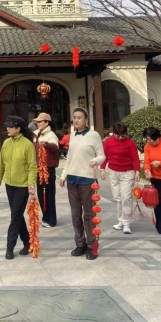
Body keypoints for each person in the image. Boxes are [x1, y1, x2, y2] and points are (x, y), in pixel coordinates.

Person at [59, 108, 105, 260]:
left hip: (87, 180)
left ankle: (92, 246)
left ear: (86, 119)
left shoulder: (94, 135)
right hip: (72, 180)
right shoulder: (72, 135)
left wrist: (95, 161)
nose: (76, 120)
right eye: (74, 117)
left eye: (79, 117)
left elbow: (102, 155)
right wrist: (63, 175)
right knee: (75, 214)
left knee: (89, 215)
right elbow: (70, 158)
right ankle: (80, 244)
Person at [0, 115, 37, 260]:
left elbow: (32, 167)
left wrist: (31, 183)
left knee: (15, 217)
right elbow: (2, 164)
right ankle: (27, 242)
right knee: (17, 215)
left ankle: (10, 247)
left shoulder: (27, 144)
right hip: (9, 184)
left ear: (18, 129)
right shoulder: (6, 143)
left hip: (22, 185)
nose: (7, 129)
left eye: (10, 126)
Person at [101, 122, 141, 234]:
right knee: (118, 197)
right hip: (113, 171)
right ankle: (120, 221)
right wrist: (102, 169)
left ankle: (126, 223)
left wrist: (137, 171)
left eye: (122, 135)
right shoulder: (108, 142)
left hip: (127, 172)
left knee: (126, 198)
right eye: (117, 135)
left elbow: (135, 158)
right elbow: (105, 156)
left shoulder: (130, 143)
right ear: (113, 133)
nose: (119, 138)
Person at [33, 113, 60, 228]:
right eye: (37, 122)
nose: (37, 123)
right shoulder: (36, 133)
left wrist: (46, 145)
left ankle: (51, 219)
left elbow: (55, 147)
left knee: (48, 194)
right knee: (41, 194)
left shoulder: (51, 135)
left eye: (40, 122)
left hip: (48, 168)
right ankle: (45, 217)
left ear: (47, 122)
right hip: (38, 168)